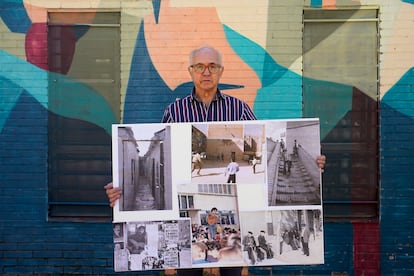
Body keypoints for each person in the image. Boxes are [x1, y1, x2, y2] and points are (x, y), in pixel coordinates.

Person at [105, 45, 326, 276]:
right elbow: (164, 170)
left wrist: (316, 163)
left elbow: (260, 157)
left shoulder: (239, 110)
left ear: (221, 71)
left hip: (234, 239)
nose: (206, 72)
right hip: (185, 236)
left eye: (212, 66)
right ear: (190, 71)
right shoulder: (174, 111)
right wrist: (119, 194)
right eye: (199, 66)